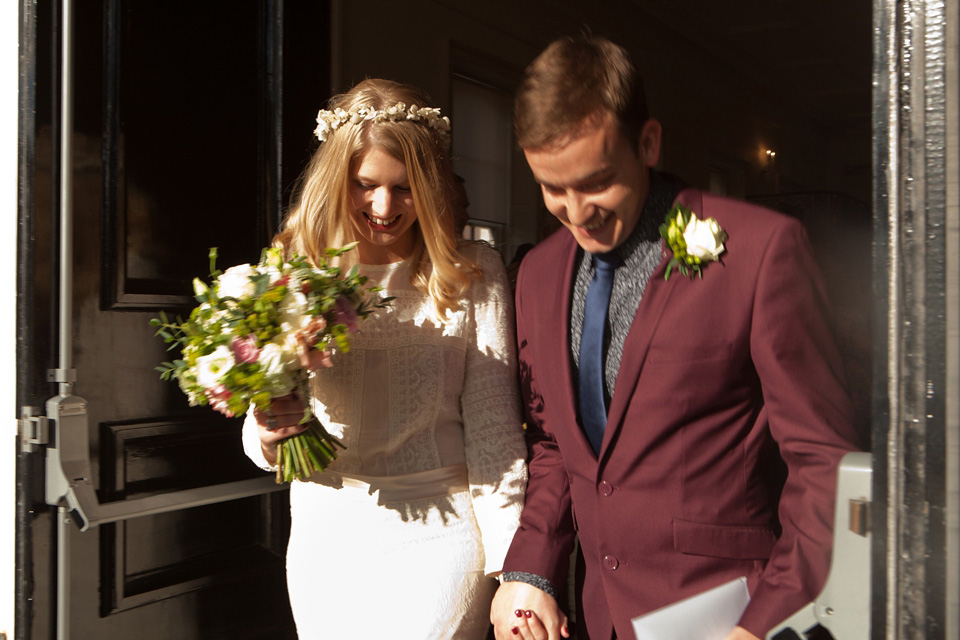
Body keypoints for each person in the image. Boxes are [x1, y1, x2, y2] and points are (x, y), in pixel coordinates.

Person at [490, 35, 860, 640]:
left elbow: (825, 464)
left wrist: (761, 623)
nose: (577, 212)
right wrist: (531, 571)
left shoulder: (761, 250)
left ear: (649, 142)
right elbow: (559, 447)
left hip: (729, 616)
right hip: (601, 617)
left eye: (596, 182)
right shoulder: (538, 274)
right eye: (553, 190)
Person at [242, 78, 528, 639]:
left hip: (441, 536)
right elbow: (265, 415)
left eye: (404, 189)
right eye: (365, 185)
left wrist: (513, 569)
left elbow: (495, 432)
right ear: (337, 181)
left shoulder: (474, 272)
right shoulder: (294, 270)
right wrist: (267, 436)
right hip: (327, 534)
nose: (383, 207)